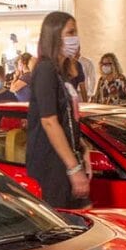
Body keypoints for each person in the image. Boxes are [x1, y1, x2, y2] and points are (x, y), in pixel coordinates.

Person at [27, 11, 90, 208]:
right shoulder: (46, 70)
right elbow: (49, 121)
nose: (75, 38)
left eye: (76, 32)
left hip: (66, 159)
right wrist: (73, 169)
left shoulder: (63, 73)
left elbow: (68, 119)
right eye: (70, 32)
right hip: (51, 163)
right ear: (54, 36)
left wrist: (82, 146)